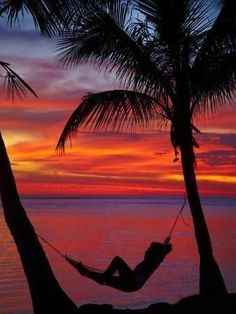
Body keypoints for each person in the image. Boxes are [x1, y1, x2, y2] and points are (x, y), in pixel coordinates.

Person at [65, 240, 172, 292]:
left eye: (149, 249)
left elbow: (164, 250)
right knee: (106, 277)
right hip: (129, 282)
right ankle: (86, 272)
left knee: (117, 260)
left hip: (133, 282)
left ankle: (102, 277)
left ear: (154, 253)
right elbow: (163, 248)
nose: (146, 251)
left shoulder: (154, 261)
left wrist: (164, 248)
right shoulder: (149, 260)